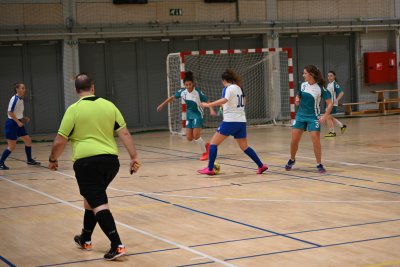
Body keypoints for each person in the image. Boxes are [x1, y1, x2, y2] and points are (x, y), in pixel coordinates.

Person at [48, 73, 140, 261]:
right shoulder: (109, 105)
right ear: (93, 87)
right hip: (110, 162)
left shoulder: (73, 109)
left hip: (86, 163)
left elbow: (59, 140)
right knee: (91, 199)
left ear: (76, 91)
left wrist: (52, 159)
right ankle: (85, 238)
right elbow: (124, 133)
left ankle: (117, 244)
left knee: (98, 203)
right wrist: (134, 157)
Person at [197, 69, 268, 175]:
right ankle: (261, 166)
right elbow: (243, 101)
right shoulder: (239, 88)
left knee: (213, 144)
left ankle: (210, 168)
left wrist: (208, 105)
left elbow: (224, 100)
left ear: (224, 80)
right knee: (245, 146)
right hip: (241, 121)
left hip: (230, 121)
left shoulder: (228, 88)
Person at [157, 71, 216, 160]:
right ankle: (206, 145)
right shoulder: (182, 92)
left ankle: (205, 153)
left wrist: (211, 109)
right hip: (189, 115)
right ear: (184, 85)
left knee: (196, 136)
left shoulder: (197, 92)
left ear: (193, 84)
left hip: (197, 114)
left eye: (190, 84)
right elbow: (172, 97)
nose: (188, 86)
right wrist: (162, 104)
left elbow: (207, 101)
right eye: (186, 85)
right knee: (189, 138)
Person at [285, 65, 333, 173]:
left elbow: (330, 104)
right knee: (294, 140)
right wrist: (297, 99)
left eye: (305, 73)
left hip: (313, 117)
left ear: (310, 75)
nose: (303, 75)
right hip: (300, 115)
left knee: (315, 139)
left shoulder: (320, 88)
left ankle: (319, 164)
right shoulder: (303, 85)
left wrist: (325, 116)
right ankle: (292, 159)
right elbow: (299, 96)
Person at [0, 83, 40, 170]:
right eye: (22, 88)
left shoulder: (20, 99)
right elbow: (10, 112)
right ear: (17, 89)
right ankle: (0, 163)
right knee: (12, 146)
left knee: (28, 141)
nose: (24, 90)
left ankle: (29, 160)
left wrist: (23, 117)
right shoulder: (15, 99)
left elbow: (16, 112)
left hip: (17, 123)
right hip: (12, 124)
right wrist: (18, 122)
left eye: (24, 88)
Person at [324, 71, 347, 137]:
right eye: (328, 76)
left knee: (328, 117)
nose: (329, 77)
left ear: (334, 76)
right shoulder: (329, 84)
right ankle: (342, 126)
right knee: (329, 117)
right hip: (329, 104)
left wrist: (336, 100)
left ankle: (332, 132)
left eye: (331, 75)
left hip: (332, 104)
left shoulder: (335, 84)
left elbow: (341, 93)